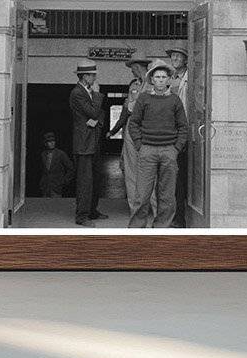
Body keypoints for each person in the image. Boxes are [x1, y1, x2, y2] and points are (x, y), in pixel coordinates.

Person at [127, 59, 188, 228]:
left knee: (167, 196)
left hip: (169, 151)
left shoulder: (175, 101)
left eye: (163, 77)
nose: (160, 80)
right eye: (157, 77)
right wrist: (140, 145)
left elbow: (183, 126)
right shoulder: (144, 99)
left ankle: (161, 229)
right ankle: (136, 230)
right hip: (148, 151)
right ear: (152, 80)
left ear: (168, 80)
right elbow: (134, 123)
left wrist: (176, 149)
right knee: (142, 195)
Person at [106, 55, 151, 216]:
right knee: (131, 170)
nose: (131, 71)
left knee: (150, 170)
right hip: (132, 131)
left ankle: (151, 206)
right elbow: (127, 110)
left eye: (132, 67)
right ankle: (136, 208)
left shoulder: (153, 83)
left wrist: (133, 105)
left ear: (138, 66)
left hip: (148, 130)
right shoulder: (133, 84)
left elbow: (135, 107)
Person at [69, 60, 106, 226]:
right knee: (85, 182)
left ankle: (91, 211)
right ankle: (81, 216)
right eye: (92, 75)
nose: (95, 78)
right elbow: (92, 111)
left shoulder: (87, 91)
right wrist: (97, 96)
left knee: (95, 179)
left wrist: (95, 119)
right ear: (84, 77)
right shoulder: (77, 93)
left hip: (92, 141)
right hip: (84, 144)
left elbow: (100, 114)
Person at [166, 44, 190, 227]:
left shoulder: (189, 78)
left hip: (183, 132)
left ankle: (179, 218)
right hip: (171, 131)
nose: (174, 59)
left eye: (178, 56)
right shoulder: (172, 78)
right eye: (173, 55)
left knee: (180, 177)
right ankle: (173, 216)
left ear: (185, 60)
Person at [37, 130, 74, 198]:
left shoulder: (61, 154)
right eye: (49, 142)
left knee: (56, 206)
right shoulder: (43, 154)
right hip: (45, 188)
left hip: (57, 188)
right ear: (45, 143)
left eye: (53, 141)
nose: (52, 143)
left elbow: (71, 169)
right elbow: (41, 171)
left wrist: (64, 181)